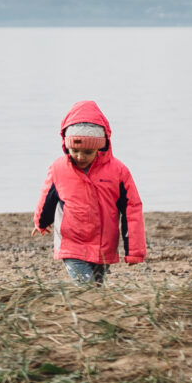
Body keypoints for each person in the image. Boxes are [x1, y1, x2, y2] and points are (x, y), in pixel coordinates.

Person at [34, 100, 145, 285]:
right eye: (75, 150)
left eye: (87, 151)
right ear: (66, 145)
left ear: (100, 147)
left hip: (103, 247)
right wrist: (41, 222)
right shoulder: (58, 169)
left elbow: (131, 210)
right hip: (72, 244)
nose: (80, 156)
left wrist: (134, 251)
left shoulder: (118, 172)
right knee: (88, 286)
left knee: (96, 287)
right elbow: (47, 198)